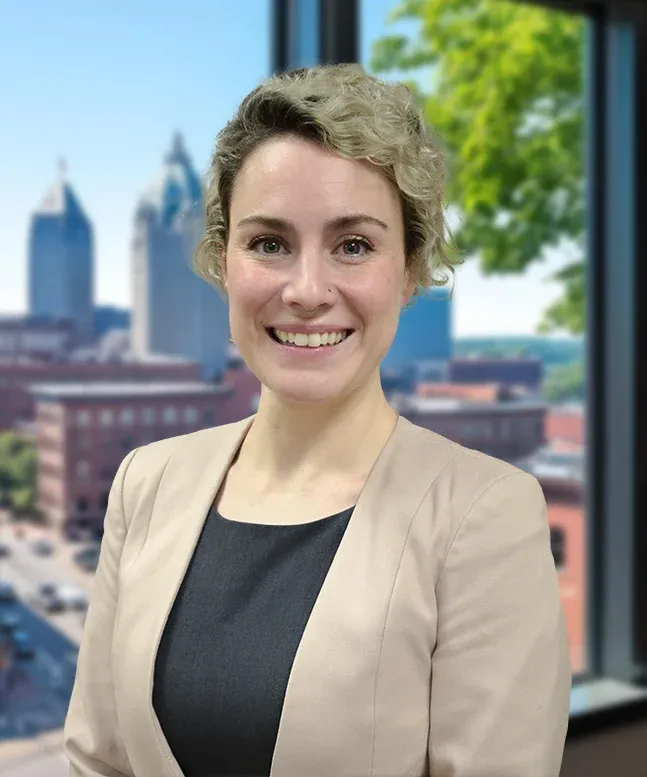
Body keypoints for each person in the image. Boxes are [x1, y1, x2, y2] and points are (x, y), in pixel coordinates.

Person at [63, 63, 571, 777]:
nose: (306, 291)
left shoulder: (484, 515)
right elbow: (98, 757)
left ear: (409, 270)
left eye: (353, 245)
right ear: (223, 262)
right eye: (268, 243)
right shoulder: (145, 482)